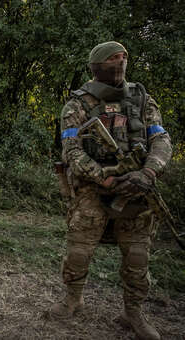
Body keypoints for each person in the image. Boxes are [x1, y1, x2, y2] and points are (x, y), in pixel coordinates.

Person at [50, 41, 172, 340]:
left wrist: (148, 171)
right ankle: (73, 299)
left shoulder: (143, 100)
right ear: (97, 66)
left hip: (137, 189)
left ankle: (133, 313)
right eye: (114, 59)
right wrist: (103, 177)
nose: (121, 62)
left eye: (125, 57)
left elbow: (162, 139)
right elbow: (71, 151)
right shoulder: (77, 105)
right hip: (93, 190)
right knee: (78, 251)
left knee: (137, 257)